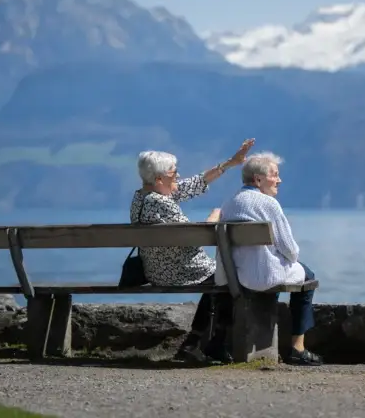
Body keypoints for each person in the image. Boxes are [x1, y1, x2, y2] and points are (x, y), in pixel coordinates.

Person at [129, 138, 255, 363]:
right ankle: (208, 344)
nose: (177, 175)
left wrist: (230, 163)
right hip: (181, 271)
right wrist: (216, 216)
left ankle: (196, 342)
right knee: (228, 278)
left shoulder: (142, 197)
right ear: (159, 179)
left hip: (155, 269)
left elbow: (192, 184)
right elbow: (198, 236)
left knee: (221, 277)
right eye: (173, 172)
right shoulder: (161, 203)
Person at [217, 151, 323, 366]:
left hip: (237, 276)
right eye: (275, 174)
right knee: (308, 277)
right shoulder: (268, 204)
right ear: (258, 179)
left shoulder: (229, 203)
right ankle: (297, 348)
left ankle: (221, 341)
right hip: (264, 276)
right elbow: (291, 251)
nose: (279, 180)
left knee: (279, 267)